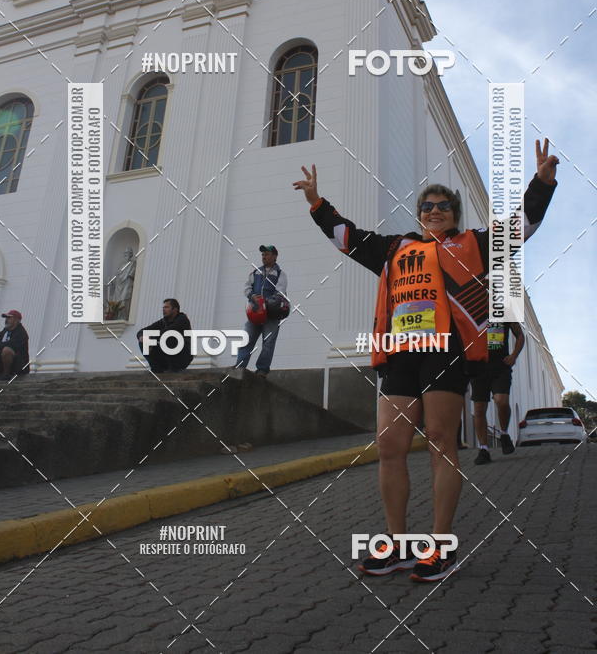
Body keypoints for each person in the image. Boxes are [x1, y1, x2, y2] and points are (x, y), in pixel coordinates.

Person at [294, 139, 558, 582]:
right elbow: (347, 238)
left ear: (455, 215)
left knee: (440, 441)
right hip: (399, 357)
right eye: (427, 207)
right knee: (391, 446)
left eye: (444, 207)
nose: (435, 211)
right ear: (419, 214)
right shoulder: (396, 248)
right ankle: (396, 546)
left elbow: (522, 227)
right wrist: (317, 202)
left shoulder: (472, 244)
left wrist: (542, 184)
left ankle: (440, 547)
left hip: (445, 352)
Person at [472, 321, 525, 463]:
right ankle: (483, 449)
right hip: (478, 366)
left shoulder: (504, 307)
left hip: (501, 365)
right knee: (479, 408)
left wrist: (514, 355)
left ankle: (504, 433)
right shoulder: (472, 308)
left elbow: (520, 335)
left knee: (501, 401)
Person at [235, 245, 288, 376]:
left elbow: (280, 292)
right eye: (263, 254)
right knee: (246, 339)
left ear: (275, 256)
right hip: (255, 313)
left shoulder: (280, 274)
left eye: (267, 254)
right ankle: (240, 366)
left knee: (268, 343)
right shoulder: (256, 272)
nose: (264, 257)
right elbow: (247, 287)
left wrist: (267, 301)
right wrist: (252, 296)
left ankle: (262, 369)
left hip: (271, 315)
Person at [137, 299, 192, 374]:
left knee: (169, 337)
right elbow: (142, 331)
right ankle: (156, 369)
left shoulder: (182, 319)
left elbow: (169, 331)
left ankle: (173, 368)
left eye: (166, 307)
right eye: (163, 308)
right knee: (143, 342)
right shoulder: (163, 321)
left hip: (183, 356)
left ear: (175, 309)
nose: (163, 310)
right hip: (167, 357)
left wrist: (150, 337)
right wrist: (141, 336)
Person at [0, 310, 30, 380]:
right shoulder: (5, 331)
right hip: (2, 364)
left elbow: (10, 344)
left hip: (19, 366)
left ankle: (6, 374)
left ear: (16, 320)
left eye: (9, 318)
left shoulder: (21, 333)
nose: (6, 320)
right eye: (6, 318)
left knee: (7, 350)